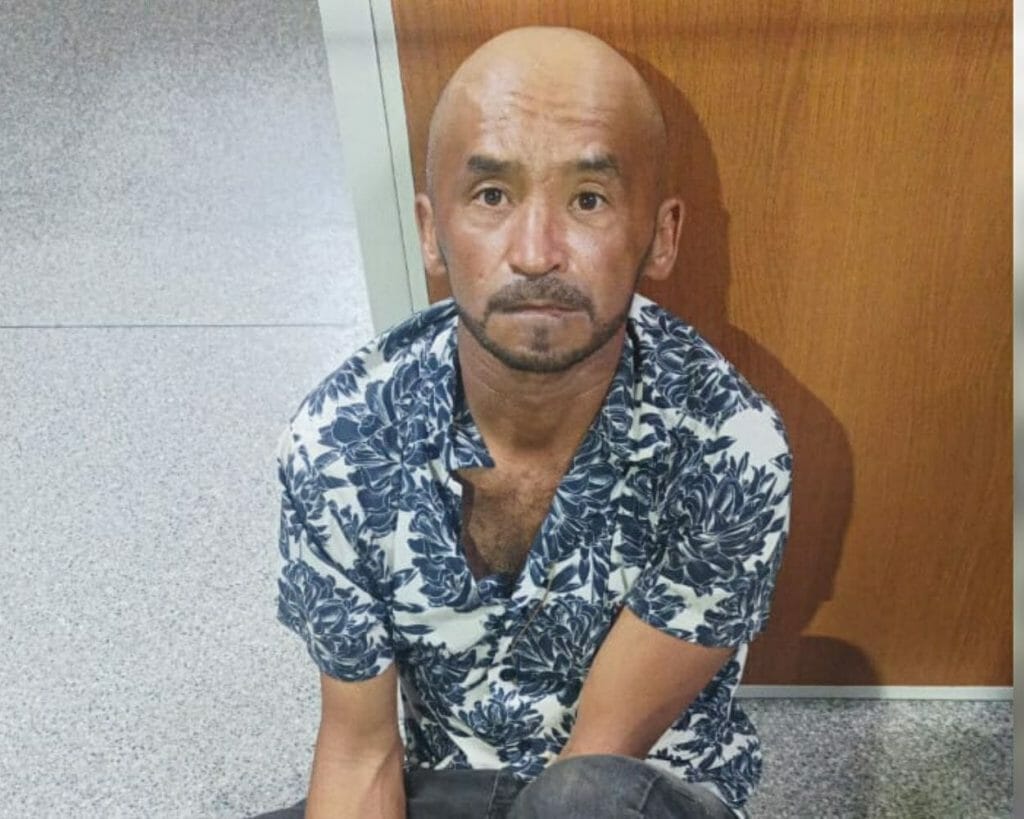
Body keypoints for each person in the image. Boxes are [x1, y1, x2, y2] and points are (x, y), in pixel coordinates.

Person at [257, 25, 791, 819]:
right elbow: (362, 754)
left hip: (631, 785)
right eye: (492, 196)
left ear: (661, 236)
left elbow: (595, 761)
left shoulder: (730, 449)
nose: (537, 253)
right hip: (450, 786)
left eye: (588, 199)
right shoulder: (338, 442)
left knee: (582, 799)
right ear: (431, 231)